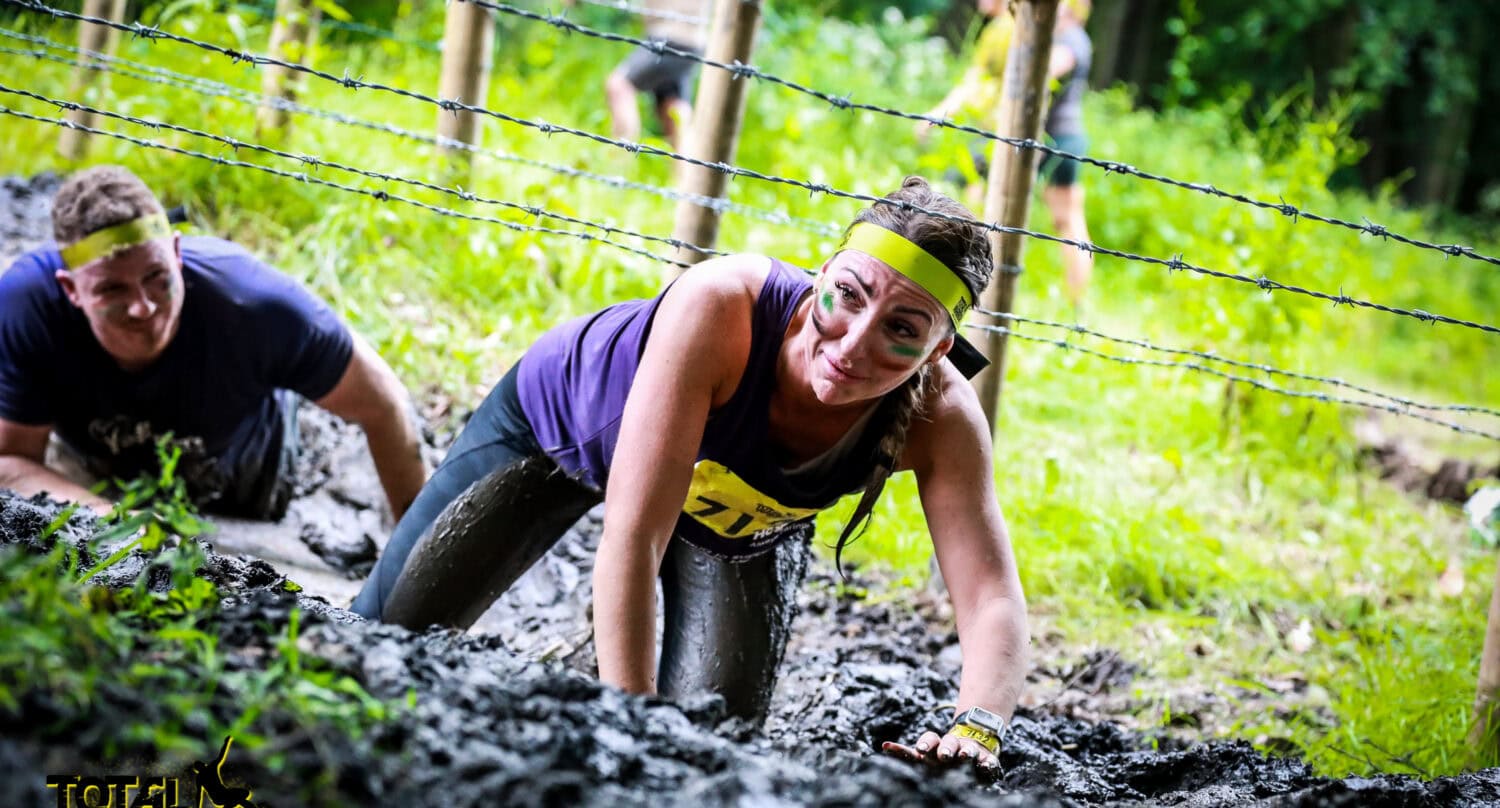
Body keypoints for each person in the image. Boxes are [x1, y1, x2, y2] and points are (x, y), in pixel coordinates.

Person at [353, 177, 1029, 773]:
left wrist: (978, 726)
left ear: (938, 350)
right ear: (822, 272)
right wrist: (633, 727)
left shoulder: (942, 417)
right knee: (372, 648)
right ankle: (594, 674)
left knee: (713, 745)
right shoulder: (720, 305)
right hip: (557, 436)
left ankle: (576, 668)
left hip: (738, 524)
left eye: (901, 330)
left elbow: (990, 594)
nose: (853, 344)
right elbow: (633, 536)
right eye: (847, 295)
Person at [0, 165, 427, 522]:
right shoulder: (29, 308)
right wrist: (114, 524)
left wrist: (411, 560)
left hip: (246, 479)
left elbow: (384, 403)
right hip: (97, 468)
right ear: (71, 291)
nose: (143, 307)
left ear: (178, 254)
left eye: (157, 278)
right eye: (113, 291)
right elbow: (11, 462)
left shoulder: (254, 304)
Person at [918, 0, 1095, 311]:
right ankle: (969, 273)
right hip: (1021, 139)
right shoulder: (1024, 32)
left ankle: (1077, 302)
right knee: (971, 191)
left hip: (1057, 139)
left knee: (1066, 220)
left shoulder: (1072, 39)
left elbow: (1048, 67)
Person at [603, 0, 710, 148]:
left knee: (619, 86)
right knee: (674, 111)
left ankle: (620, 160)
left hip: (669, 34)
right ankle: (691, 169)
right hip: (693, 39)